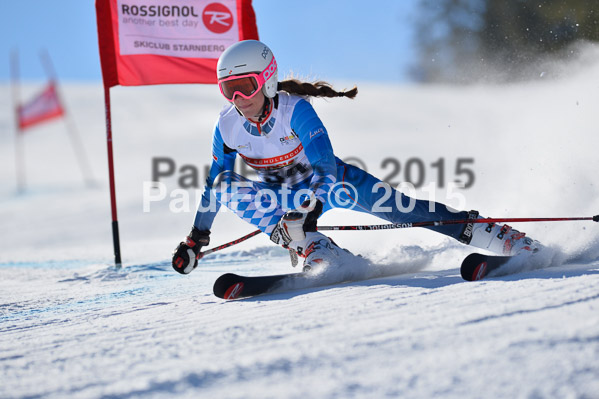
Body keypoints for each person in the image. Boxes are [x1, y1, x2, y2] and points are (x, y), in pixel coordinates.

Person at [172, 40, 539, 275]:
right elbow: (215, 184)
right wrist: (195, 239)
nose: (238, 100)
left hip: (332, 186)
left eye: (245, 88)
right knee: (224, 184)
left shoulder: (295, 110)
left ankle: (503, 238)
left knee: (409, 212)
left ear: (267, 81)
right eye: (228, 91)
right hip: (283, 196)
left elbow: (326, 167)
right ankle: (317, 250)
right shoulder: (227, 126)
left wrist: (308, 209)